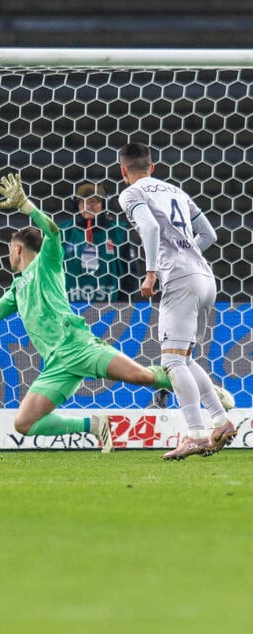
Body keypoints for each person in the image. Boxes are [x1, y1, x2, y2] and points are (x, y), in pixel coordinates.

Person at [0, 172, 189, 453]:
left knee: (143, 377)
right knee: (24, 423)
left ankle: (203, 389)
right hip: (56, 364)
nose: (8, 255)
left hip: (78, 346)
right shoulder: (16, 288)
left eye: (9, 250)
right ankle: (94, 425)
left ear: (17, 248)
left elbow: (53, 231)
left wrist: (26, 206)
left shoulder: (46, 264)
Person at [118, 142, 237, 460]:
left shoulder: (131, 193)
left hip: (180, 281)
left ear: (123, 170)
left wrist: (152, 272)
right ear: (152, 166)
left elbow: (151, 226)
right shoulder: (176, 192)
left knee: (171, 362)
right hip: (205, 278)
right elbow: (209, 235)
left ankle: (196, 435)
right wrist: (186, 254)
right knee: (183, 358)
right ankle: (221, 421)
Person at [60, 182, 135, 302]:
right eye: (82, 201)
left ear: (104, 204)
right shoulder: (63, 231)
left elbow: (130, 273)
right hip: (71, 304)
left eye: (93, 201)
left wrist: (124, 304)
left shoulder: (118, 232)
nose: (87, 206)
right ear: (76, 205)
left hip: (112, 307)